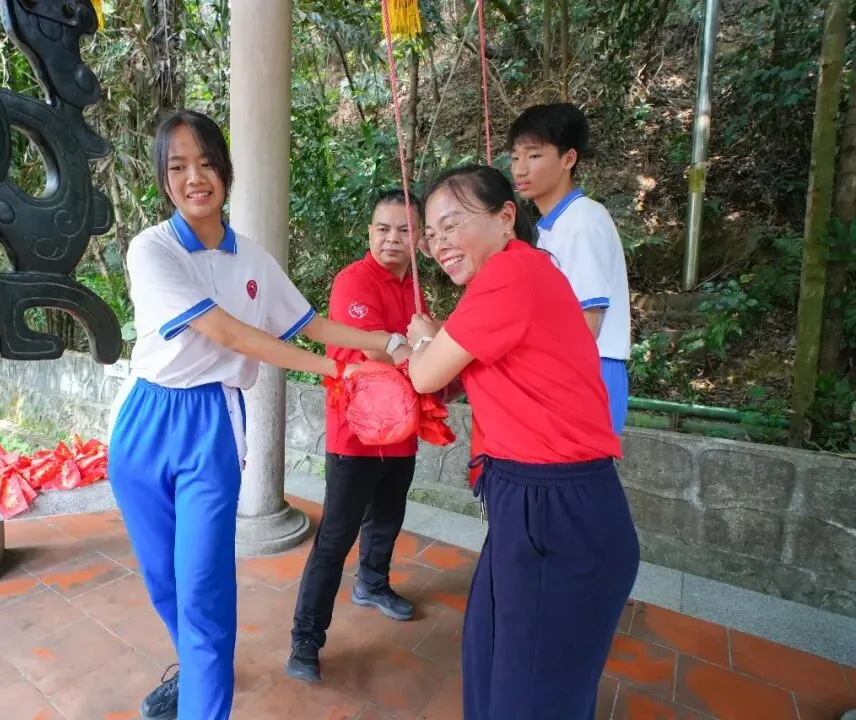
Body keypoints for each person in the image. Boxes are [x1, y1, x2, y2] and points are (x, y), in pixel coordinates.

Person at [107, 109, 399, 720]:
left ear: (226, 171)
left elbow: (308, 322)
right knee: (166, 582)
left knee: (204, 588)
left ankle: (203, 702)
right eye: (179, 166)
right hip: (143, 420)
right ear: (164, 178)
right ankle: (193, 673)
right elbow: (227, 332)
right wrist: (337, 370)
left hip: (211, 423)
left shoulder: (254, 259)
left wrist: (388, 343)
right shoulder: (151, 248)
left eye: (207, 163)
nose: (195, 178)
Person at [404, 164, 640, 719]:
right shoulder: (521, 276)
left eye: (452, 225)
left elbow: (425, 374)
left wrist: (419, 340)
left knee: (528, 693)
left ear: (506, 217)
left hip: (555, 507)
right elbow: (470, 363)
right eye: (431, 234)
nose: (439, 244)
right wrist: (432, 343)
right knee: (492, 663)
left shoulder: (511, 276)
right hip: (531, 500)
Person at [285, 188, 428, 683]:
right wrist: (424, 347)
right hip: (356, 434)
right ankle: (306, 637)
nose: (392, 239)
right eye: (383, 228)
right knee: (335, 537)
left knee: (388, 518)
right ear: (369, 232)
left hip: (403, 430)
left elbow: (422, 349)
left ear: (419, 239)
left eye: (404, 230)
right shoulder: (353, 281)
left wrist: (425, 347)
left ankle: (372, 583)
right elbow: (376, 357)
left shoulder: (418, 286)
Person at [509, 103, 632, 433]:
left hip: (587, 371)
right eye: (515, 157)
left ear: (568, 159)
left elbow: (585, 325)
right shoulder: (551, 227)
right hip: (569, 370)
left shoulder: (582, 222)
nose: (520, 169)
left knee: (578, 481)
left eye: (534, 156)